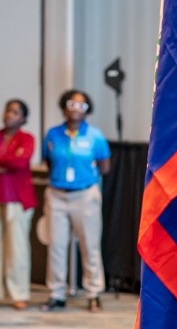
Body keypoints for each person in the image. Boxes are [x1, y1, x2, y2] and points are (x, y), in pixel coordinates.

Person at [41, 90, 110, 313]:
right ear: (64, 107)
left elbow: (104, 167)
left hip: (85, 194)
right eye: (72, 104)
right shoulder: (53, 134)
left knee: (90, 244)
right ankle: (56, 294)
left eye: (82, 105)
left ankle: (93, 293)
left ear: (88, 110)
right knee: (56, 245)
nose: (76, 109)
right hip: (57, 195)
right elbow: (48, 161)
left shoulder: (95, 136)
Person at [0, 99, 37, 309]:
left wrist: (7, 162)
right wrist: (7, 161)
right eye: (8, 111)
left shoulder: (26, 138)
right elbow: (10, 161)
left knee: (17, 248)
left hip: (17, 198)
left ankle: (19, 293)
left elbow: (19, 162)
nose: (9, 115)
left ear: (23, 118)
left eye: (15, 112)